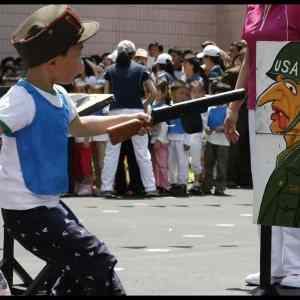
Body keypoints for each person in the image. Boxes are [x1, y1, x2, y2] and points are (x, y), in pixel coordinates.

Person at [0, 5, 152, 295]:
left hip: (48, 205)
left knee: (77, 273)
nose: (82, 64)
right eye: (77, 54)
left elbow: (79, 126)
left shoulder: (57, 94)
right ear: (52, 63)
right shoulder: (21, 99)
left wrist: (128, 118)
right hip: (27, 214)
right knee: (97, 260)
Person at [224, 4, 300, 288]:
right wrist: (234, 106)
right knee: (266, 185)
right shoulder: (253, 8)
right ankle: (272, 263)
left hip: (294, 104)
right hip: (260, 104)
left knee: (291, 179)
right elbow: (248, 58)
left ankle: (296, 264)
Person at [101, 40, 158, 198]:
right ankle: (150, 187)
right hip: (136, 113)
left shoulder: (110, 70)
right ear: (133, 54)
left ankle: (106, 187)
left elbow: (107, 96)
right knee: (142, 152)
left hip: (115, 114)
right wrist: (144, 105)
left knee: (112, 152)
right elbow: (154, 93)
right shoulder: (141, 69)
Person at [167, 80, 191, 197]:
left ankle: (182, 183)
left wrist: (187, 140)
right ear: (172, 94)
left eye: (184, 93)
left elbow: (189, 126)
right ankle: (173, 182)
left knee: (182, 162)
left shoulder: (186, 107)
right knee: (171, 162)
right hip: (171, 138)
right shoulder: (169, 106)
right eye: (180, 93)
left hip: (182, 138)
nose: (182, 96)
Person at [150, 80, 170, 196]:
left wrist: (159, 140)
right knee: (155, 164)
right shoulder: (153, 106)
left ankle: (165, 185)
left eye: (158, 91)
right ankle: (157, 184)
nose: (156, 93)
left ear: (163, 93)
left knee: (162, 164)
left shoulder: (164, 107)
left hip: (161, 140)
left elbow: (164, 126)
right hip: (153, 139)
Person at [187, 80, 206, 195]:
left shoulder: (205, 105)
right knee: (189, 161)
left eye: (198, 91)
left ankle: (198, 183)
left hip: (199, 136)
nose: (196, 94)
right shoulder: (188, 105)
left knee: (197, 160)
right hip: (188, 136)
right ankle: (191, 182)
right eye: (193, 91)